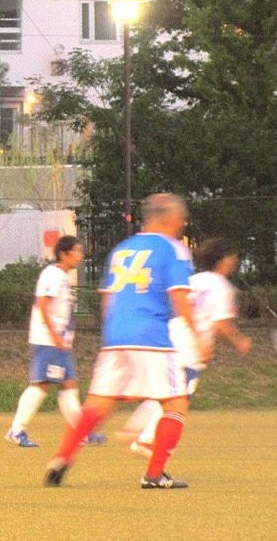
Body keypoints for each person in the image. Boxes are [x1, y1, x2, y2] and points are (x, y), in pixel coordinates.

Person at [44, 193, 206, 489]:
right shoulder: (173, 249)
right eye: (181, 221)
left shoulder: (122, 249)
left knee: (97, 405)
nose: (182, 226)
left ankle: (62, 458)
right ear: (171, 219)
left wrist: (116, 334)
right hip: (152, 336)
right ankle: (154, 474)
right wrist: (197, 336)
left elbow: (107, 300)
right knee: (176, 403)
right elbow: (179, 296)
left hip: (115, 337)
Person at [122, 237, 252, 456]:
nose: (233, 262)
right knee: (179, 398)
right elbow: (221, 324)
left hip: (167, 339)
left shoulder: (192, 280)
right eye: (231, 258)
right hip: (189, 347)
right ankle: (146, 440)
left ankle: (135, 427)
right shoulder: (222, 287)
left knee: (167, 391)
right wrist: (239, 341)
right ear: (222, 260)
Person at [4, 235, 104, 448]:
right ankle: (16, 430)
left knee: (69, 384)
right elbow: (42, 305)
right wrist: (54, 335)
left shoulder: (62, 277)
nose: (80, 255)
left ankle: (82, 433)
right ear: (63, 254)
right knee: (41, 384)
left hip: (59, 343)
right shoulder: (52, 274)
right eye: (77, 251)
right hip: (48, 341)